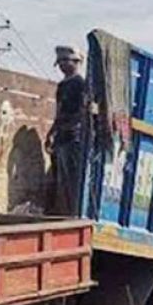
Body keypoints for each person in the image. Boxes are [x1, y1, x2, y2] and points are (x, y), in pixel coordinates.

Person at [47, 45, 91, 216]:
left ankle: (74, 214)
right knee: (61, 180)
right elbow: (59, 112)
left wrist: (70, 127)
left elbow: (82, 111)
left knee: (73, 180)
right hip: (62, 137)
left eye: (66, 61)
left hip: (74, 137)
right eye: (60, 62)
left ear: (77, 62)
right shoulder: (62, 85)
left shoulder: (80, 84)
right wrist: (52, 132)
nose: (62, 65)